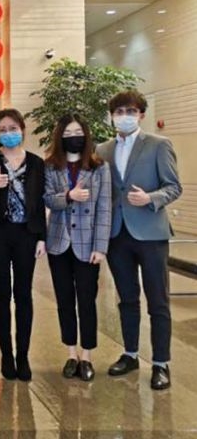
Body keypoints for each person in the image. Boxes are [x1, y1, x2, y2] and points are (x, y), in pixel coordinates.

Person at [96, 89, 181, 390]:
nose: (125, 117)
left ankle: (161, 363)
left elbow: (173, 186)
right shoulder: (103, 149)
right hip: (117, 235)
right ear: (112, 117)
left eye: (130, 111)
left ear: (141, 115)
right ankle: (130, 354)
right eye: (119, 112)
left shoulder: (158, 144)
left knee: (158, 300)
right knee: (127, 298)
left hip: (150, 234)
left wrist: (150, 198)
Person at [0, 109, 46, 382]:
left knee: (24, 293)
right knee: (1, 291)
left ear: (22, 129)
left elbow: (39, 201)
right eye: (2, 129)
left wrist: (41, 237)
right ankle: (6, 354)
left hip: (26, 233)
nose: (8, 133)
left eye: (12, 128)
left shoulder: (36, 163)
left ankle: (23, 355)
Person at [44, 114, 111, 382]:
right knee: (64, 300)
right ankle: (71, 353)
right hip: (58, 243)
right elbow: (47, 199)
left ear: (86, 136)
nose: (74, 137)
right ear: (60, 137)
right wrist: (68, 196)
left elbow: (104, 208)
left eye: (78, 132)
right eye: (68, 133)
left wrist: (101, 246)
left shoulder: (99, 167)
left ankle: (87, 355)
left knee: (86, 300)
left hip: (88, 245)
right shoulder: (51, 166)